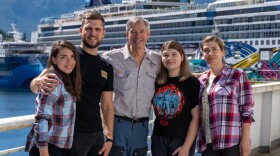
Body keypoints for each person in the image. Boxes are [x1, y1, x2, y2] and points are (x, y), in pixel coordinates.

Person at [30, 11, 114, 156]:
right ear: (80, 30)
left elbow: (107, 105)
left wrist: (109, 138)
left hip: (97, 134)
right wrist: (38, 81)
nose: (92, 33)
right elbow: (35, 85)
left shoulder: (106, 66)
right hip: (72, 134)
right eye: (88, 28)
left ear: (103, 33)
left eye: (97, 29)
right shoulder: (69, 57)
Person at [101, 16, 161, 156]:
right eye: (133, 32)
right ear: (126, 34)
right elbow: (86, 63)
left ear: (148, 34)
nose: (137, 36)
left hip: (142, 126)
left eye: (142, 31)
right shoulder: (110, 58)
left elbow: (178, 73)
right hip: (117, 124)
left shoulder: (157, 60)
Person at [196, 36, 254, 156]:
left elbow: (246, 110)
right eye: (206, 50)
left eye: (214, 49)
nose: (210, 53)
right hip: (207, 142)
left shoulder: (237, 75)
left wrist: (245, 140)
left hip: (230, 141)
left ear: (222, 51)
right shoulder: (202, 80)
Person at [25, 40, 82, 156]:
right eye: (63, 57)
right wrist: (44, 153)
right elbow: (41, 119)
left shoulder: (67, 78)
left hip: (58, 146)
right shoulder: (53, 81)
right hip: (48, 147)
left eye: (72, 56)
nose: (69, 61)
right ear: (54, 60)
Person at [151, 40, 200, 156]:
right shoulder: (157, 81)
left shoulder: (192, 82)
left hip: (181, 140)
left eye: (174, 54)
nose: (169, 58)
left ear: (182, 57)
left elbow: (196, 118)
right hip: (158, 138)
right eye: (166, 55)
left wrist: (186, 147)